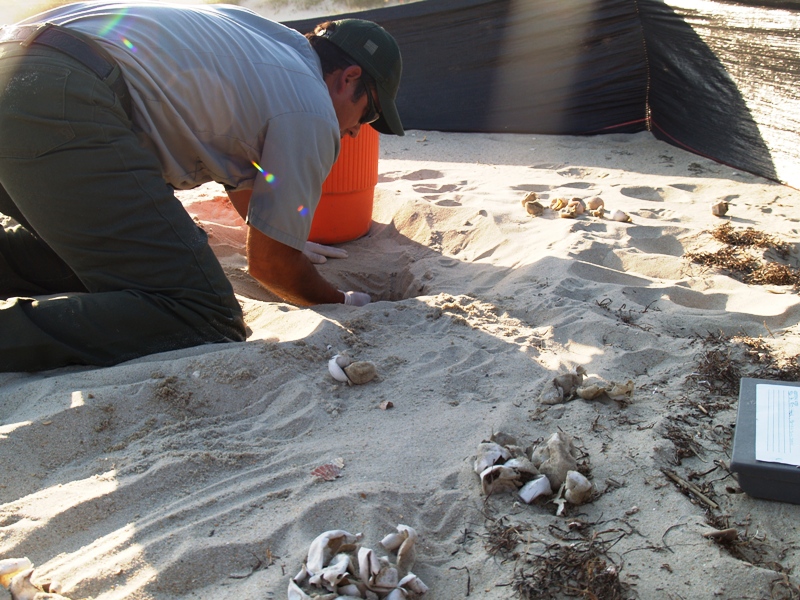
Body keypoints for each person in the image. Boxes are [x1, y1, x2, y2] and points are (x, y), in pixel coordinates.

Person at [0, 1, 404, 372]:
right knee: (203, 312)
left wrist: (280, 232)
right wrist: (343, 301)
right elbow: (272, 267)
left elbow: (244, 163)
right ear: (349, 77)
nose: (355, 132)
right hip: (56, 94)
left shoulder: (266, 40)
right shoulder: (311, 105)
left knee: (111, 262)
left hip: (17, 60)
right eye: (368, 114)